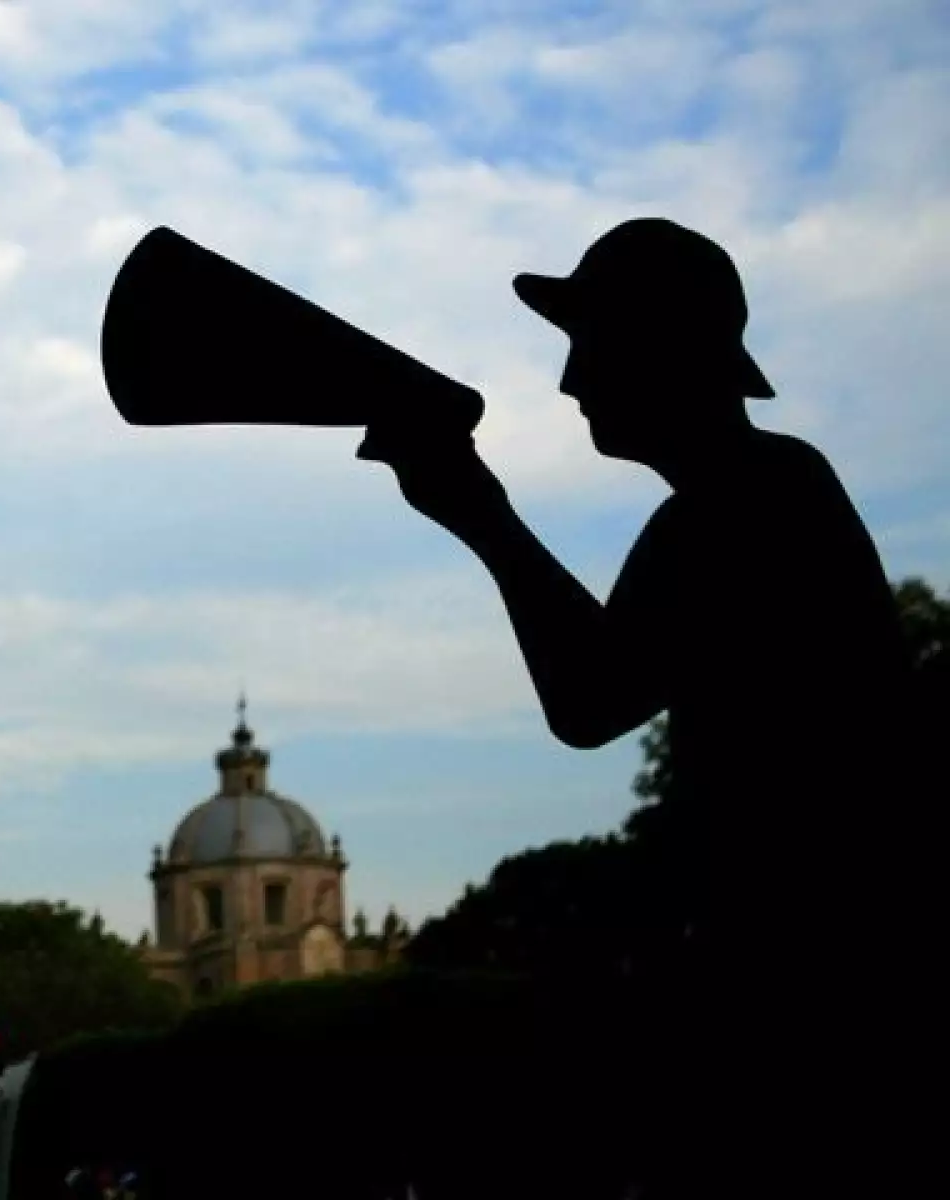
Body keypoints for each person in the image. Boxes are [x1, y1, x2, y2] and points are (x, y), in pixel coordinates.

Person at [358, 217, 927, 1194]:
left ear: (656, 350)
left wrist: (480, 512)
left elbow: (588, 699)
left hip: (805, 1004)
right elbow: (600, 691)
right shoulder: (758, 491)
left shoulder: (745, 500)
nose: (571, 380)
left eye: (588, 344)